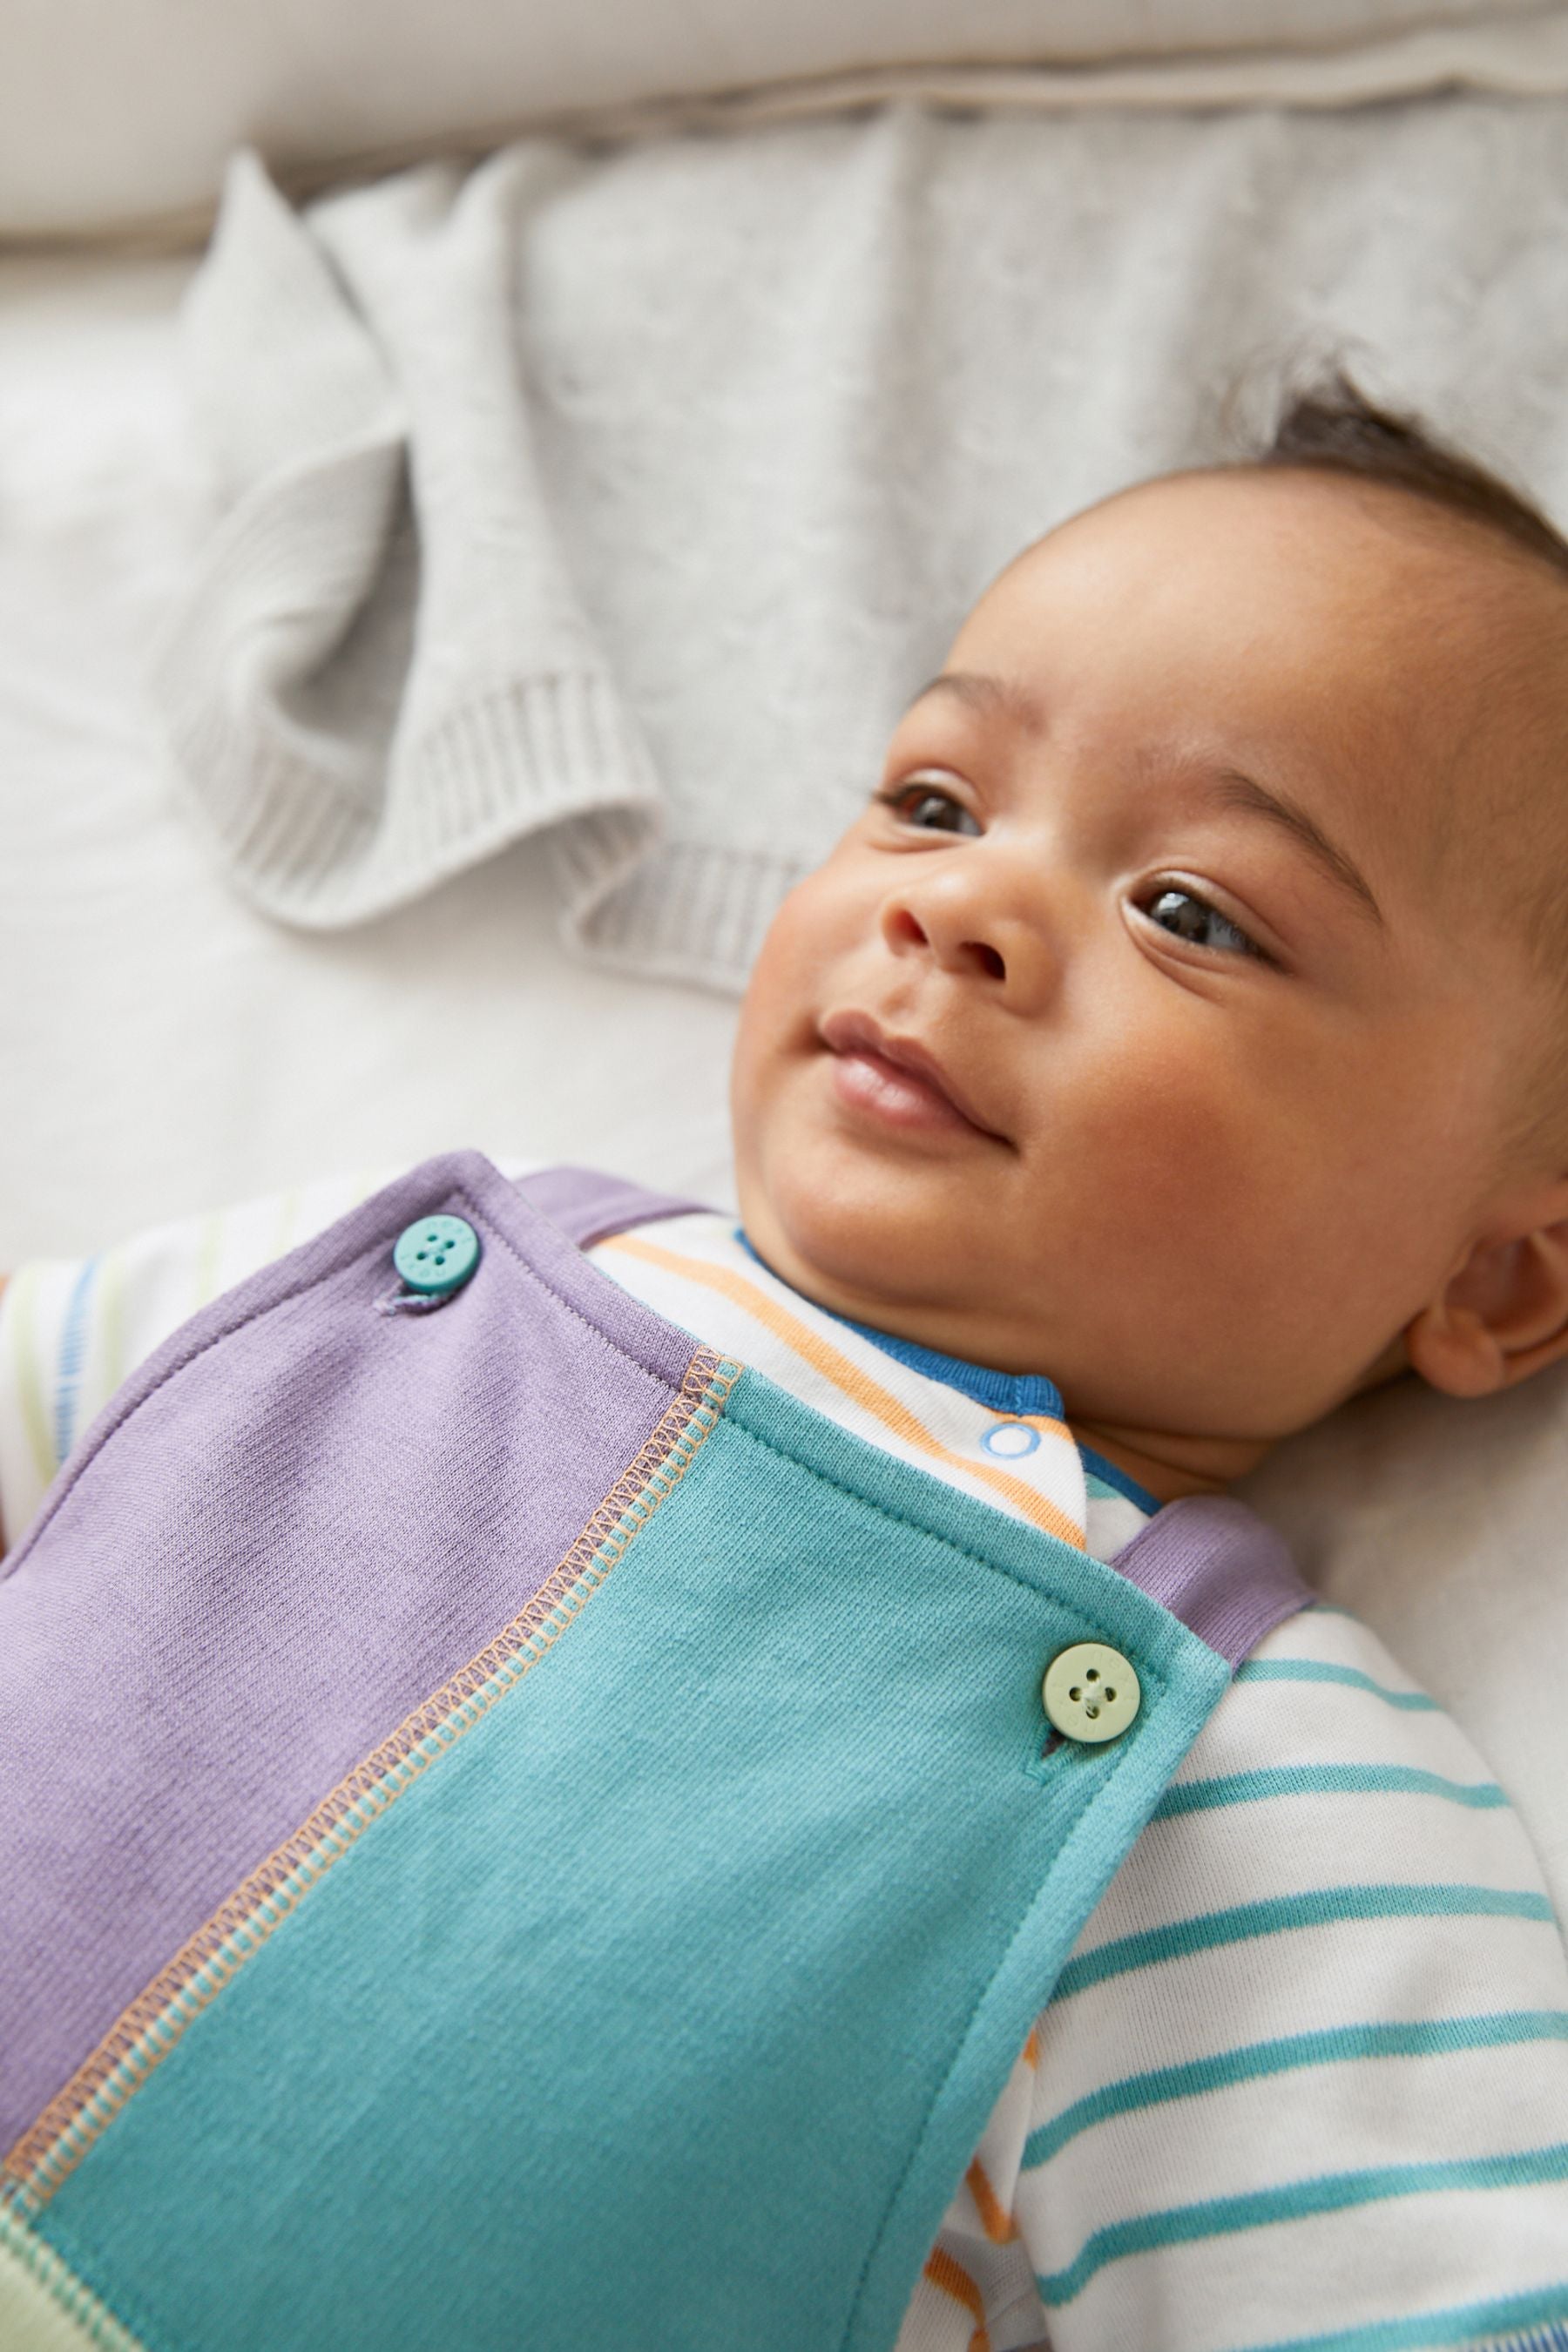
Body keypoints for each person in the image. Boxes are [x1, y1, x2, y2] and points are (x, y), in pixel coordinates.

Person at [3, 379, 1566, 2352]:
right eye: (934, 799)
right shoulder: (371, 1272)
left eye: (1193, 914)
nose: (961, 902)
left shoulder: (1252, 1778)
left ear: (1500, 1278)